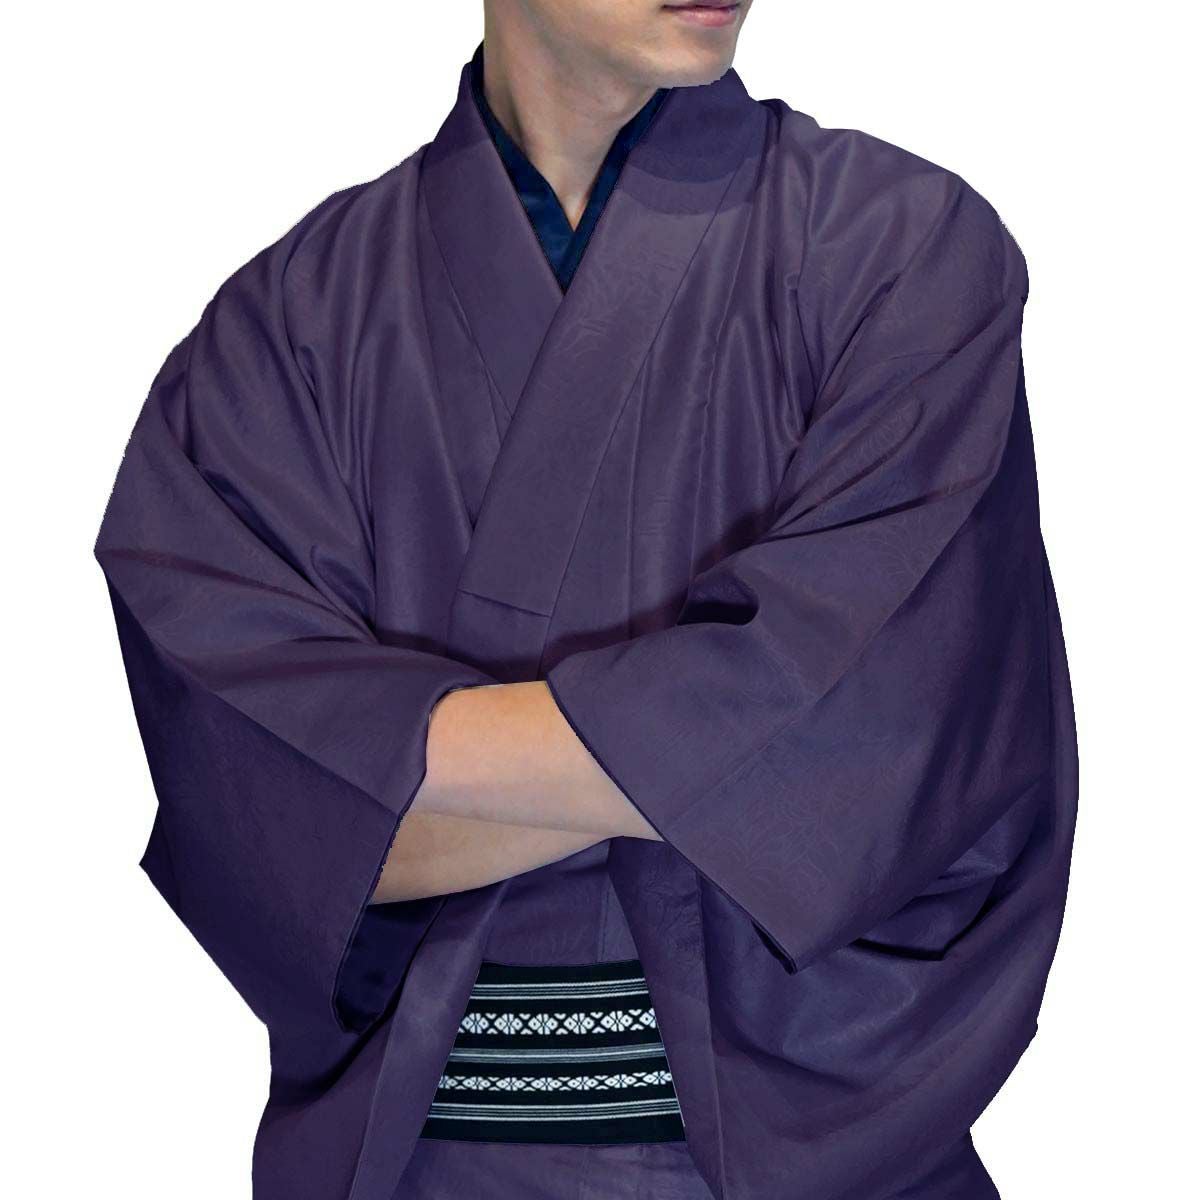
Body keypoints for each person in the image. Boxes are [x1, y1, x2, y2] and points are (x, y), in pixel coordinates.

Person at [92, 2, 1078, 1197]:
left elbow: (890, 729)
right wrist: (733, 750)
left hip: (824, 1161)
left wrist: (381, 756)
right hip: (429, 1168)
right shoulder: (288, 328)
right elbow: (255, 809)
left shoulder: (900, 253)